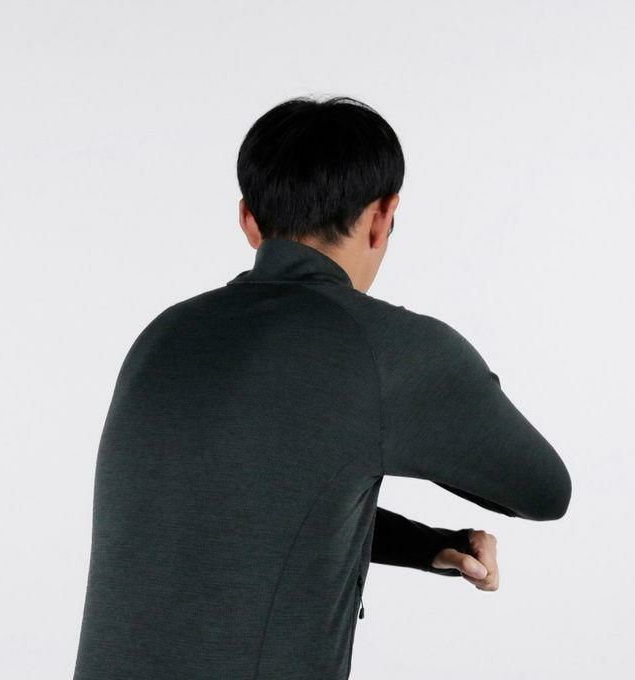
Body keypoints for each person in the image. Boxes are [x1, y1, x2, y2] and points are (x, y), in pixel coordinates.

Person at [72, 95, 572, 680]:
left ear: (249, 221)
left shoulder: (164, 337)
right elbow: (544, 490)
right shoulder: (386, 348)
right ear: (383, 216)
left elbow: (256, 500)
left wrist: (423, 545)